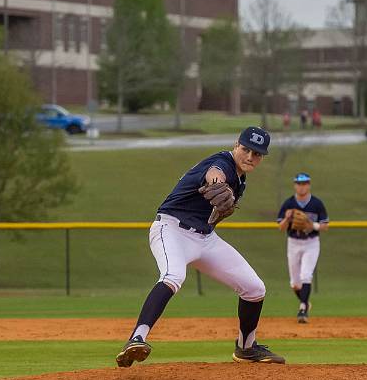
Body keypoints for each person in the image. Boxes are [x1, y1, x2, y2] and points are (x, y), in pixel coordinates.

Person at [115, 126, 285, 367]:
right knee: (173, 276)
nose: (250, 156)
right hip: (171, 230)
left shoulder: (240, 180)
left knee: (254, 288)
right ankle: (136, 339)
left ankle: (246, 348)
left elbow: (216, 212)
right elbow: (214, 174)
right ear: (236, 145)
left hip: (205, 239)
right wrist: (218, 184)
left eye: (256, 153)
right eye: (246, 149)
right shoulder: (222, 163)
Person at [277, 173, 329, 323]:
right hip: (293, 243)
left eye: (305, 183)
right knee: (294, 283)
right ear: (295, 185)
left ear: (309, 185)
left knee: (306, 275)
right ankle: (306, 303)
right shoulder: (288, 204)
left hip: (311, 243)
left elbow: (325, 225)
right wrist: (287, 218)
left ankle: (302, 310)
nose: (302, 186)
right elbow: (280, 227)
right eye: (299, 183)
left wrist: (312, 225)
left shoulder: (316, 203)